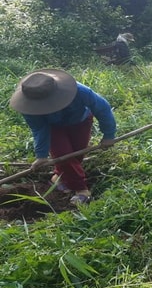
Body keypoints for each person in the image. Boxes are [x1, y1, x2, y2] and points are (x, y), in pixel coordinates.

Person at [9, 69, 117, 204]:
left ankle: (59, 176)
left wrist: (108, 135)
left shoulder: (81, 91)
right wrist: (41, 155)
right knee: (64, 155)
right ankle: (81, 189)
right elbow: (39, 128)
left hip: (80, 121)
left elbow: (103, 109)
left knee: (77, 153)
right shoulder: (28, 106)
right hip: (53, 128)